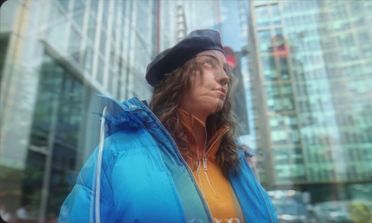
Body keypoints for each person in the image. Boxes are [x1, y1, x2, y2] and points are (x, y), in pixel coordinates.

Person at [59, 29, 277, 223]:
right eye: (209, 64)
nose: (223, 78)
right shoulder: (117, 153)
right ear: (177, 78)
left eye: (225, 70)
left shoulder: (237, 162)